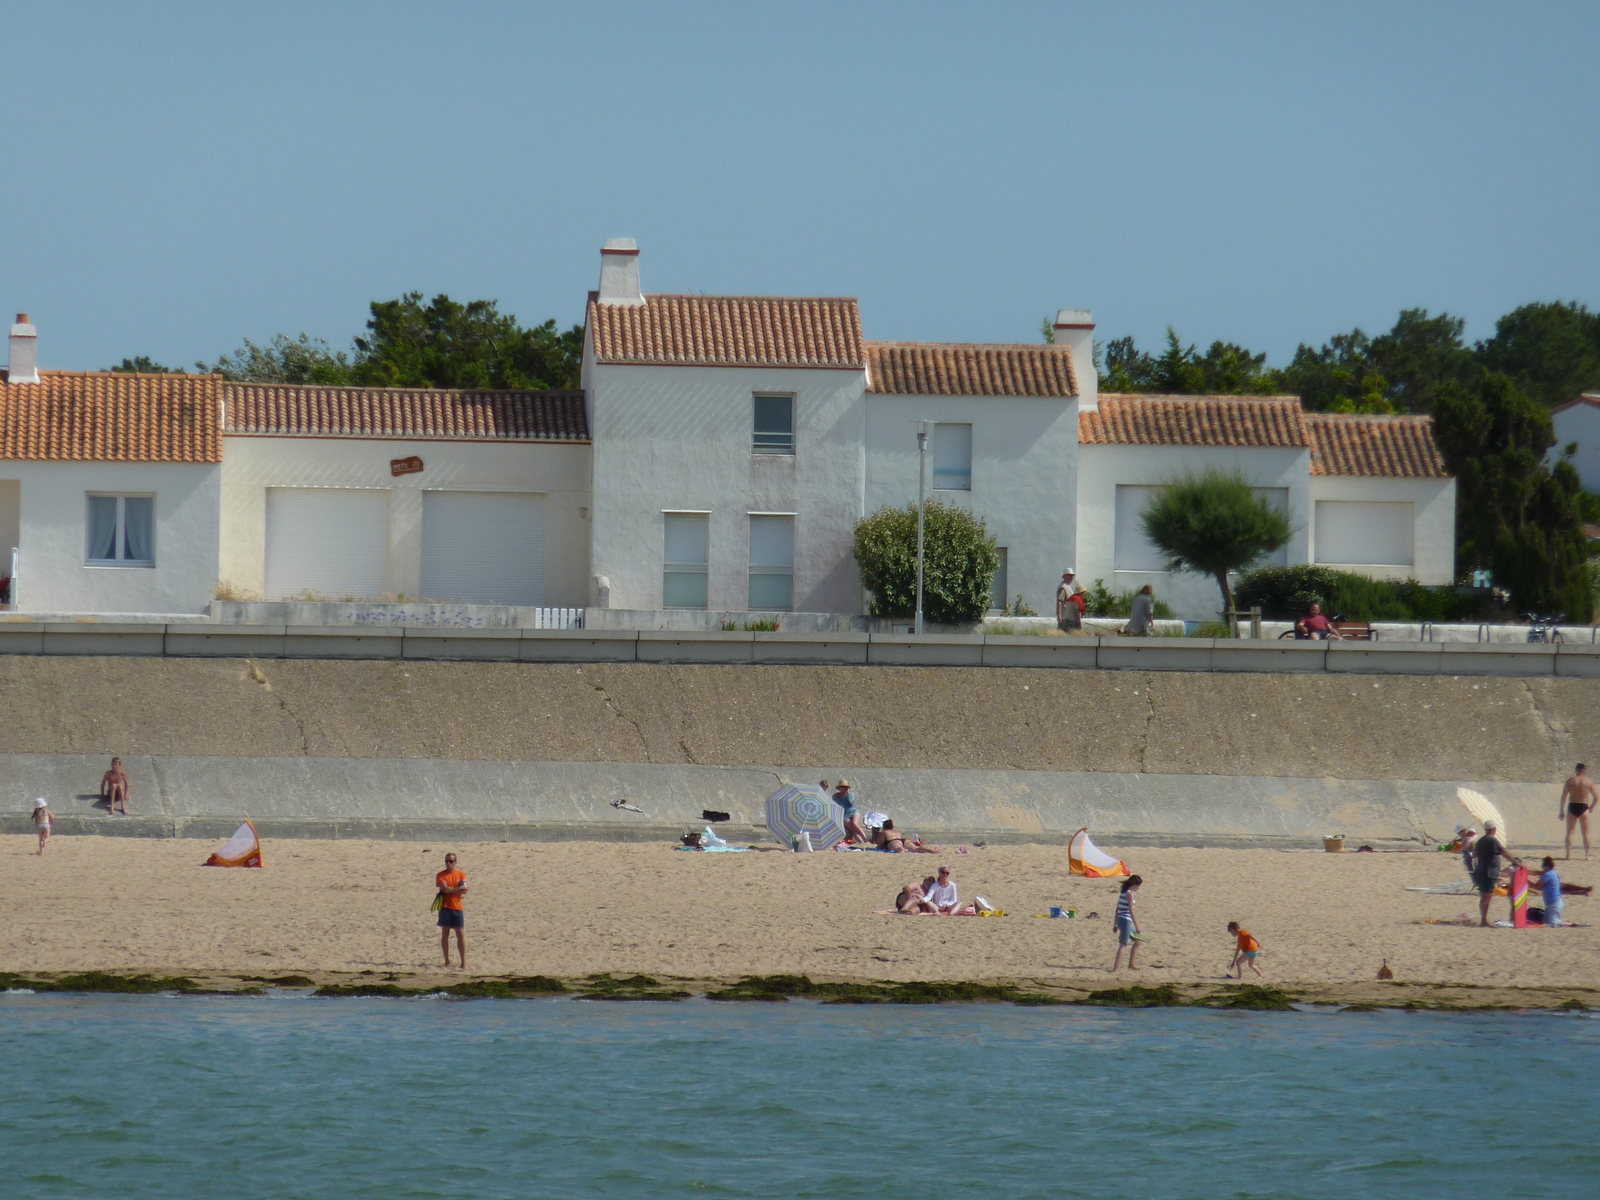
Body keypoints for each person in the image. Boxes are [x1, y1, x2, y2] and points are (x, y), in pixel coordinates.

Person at [1472, 821, 1519, 927]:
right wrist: (1516, 863)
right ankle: (1484, 920)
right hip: (1488, 872)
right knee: (1487, 896)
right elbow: (1504, 852)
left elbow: (1476, 854)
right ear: (1494, 830)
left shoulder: (1480, 841)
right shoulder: (1492, 840)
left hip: (1481, 871)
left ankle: (1483, 920)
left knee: (1484, 896)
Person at [435, 852, 469, 969]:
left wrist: (451, 890)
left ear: (455, 862)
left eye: (451, 861)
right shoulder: (441, 875)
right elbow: (444, 889)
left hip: (457, 907)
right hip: (445, 907)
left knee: (460, 935)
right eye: (446, 861)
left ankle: (463, 962)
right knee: (445, 934)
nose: (448, 864)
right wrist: (457, 889)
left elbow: (465, 890)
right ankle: (447, 961)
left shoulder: (461, 874)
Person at [1559, 763, 1596, 861]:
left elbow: (1563, 797)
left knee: (1570, 833)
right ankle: (1587, 855)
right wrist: (1591, 807)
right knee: (1586, 833)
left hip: (1572, 806)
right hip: (1583, 806)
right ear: (1584, 771)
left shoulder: (1570, 781)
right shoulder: (1588, 782)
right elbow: (1597, 797)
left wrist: (1561, 810)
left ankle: (1568, 855)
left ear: (1576, 770)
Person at [1112, 875, 1143, 970]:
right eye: (1138, 886)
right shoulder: (1129, 894)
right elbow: (1131, 911)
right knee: (1123, 945)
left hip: (1122, 920)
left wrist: (1116, 923)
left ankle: (1131, 964)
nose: (1139, 888)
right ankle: (1115, 969)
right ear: (1134, 885)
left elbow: (1117, 909)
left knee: (1137, 941)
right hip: (1125, 921)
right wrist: (1137, 926)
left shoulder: (1123, 893)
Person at [873, 819, 939, 854]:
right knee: (916, 849)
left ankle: (903, 850)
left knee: (899, 848)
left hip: (892, 841)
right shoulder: (897, 831)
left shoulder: (884, 832)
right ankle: (930, 850)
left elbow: (880, 845)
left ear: (884, 827)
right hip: (903, 840)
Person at [1535, 857, 1565, 927]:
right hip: (1552, 903)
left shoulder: (1548, 875)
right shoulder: (1553, 873)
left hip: (1554, 904)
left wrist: (1527, 882)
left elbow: (1537, 886)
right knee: (1545, 922)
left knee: (1554, 924)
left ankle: (1572, 924)